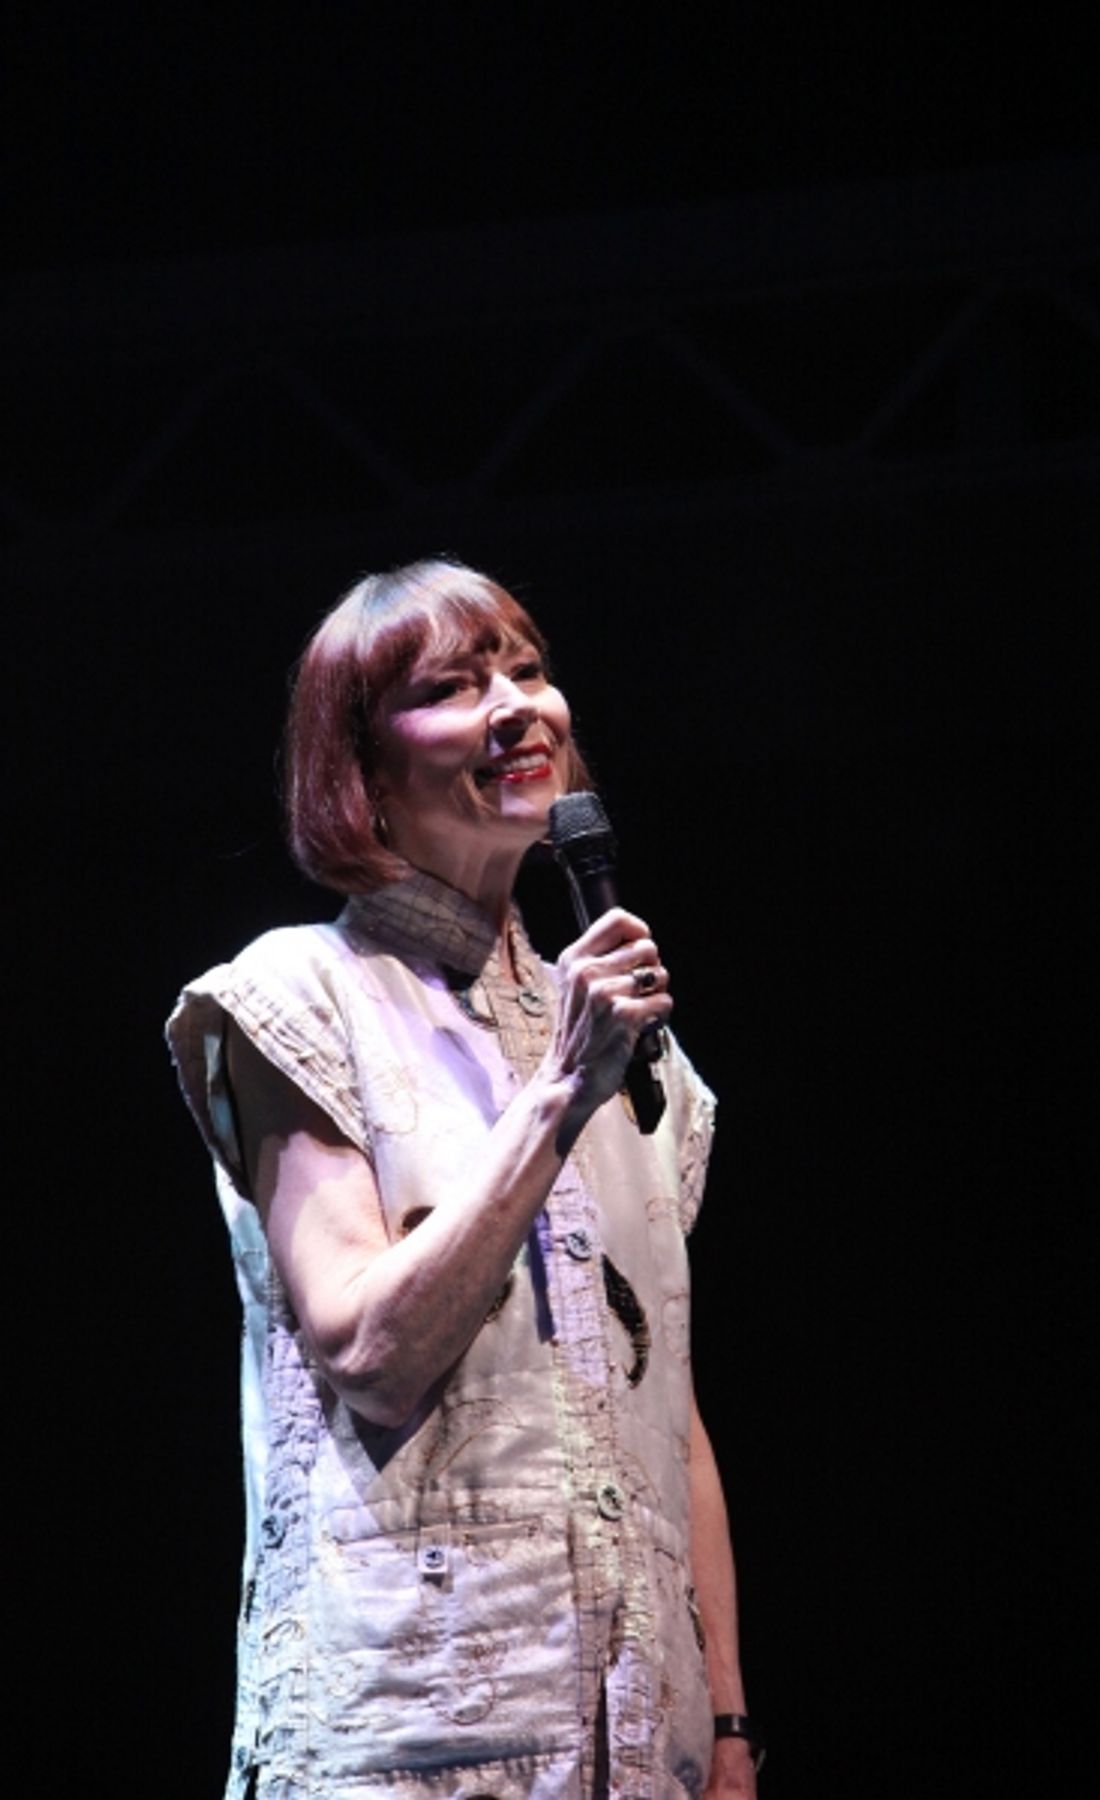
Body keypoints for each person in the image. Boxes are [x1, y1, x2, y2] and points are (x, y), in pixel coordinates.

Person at [167, 558, 759, 1799]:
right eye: (453, 685)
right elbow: (370, 1353)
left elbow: (674, 1423)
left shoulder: (637, 1057)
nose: (516, 706)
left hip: (642, 1750)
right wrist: (557, 1091)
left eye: (529, 671)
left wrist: (731, 1733)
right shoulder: (295, 997)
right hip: (410, 1738)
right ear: (363, 770)